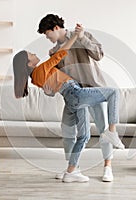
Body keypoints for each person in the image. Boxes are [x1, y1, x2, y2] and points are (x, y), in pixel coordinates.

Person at [13, 27, 125, 183]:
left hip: (73, 95)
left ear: (55, 28)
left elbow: (53, 84)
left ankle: (72, 171)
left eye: (46, 34)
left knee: (84, 135)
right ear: (29, 63)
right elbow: (60, 54)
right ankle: (111, 132)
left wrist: (79, 37)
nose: (35, 54)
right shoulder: (40, 69)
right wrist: (75, 37)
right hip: (74, 93)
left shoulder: (36, 76)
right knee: (114, 93)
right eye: (31, 55)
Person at [38, 14, 116, 182]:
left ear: (56, 28)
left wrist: (82, 38)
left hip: (94, 90)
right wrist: (48, 90)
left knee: (104, 131)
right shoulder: (54, 52)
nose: (46, 37)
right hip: (73, 96)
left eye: (46, 33)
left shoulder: (81, 35)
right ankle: (72, 168)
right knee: (67, 131)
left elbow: (99, 54)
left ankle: (107, 166)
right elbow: (54, 78)